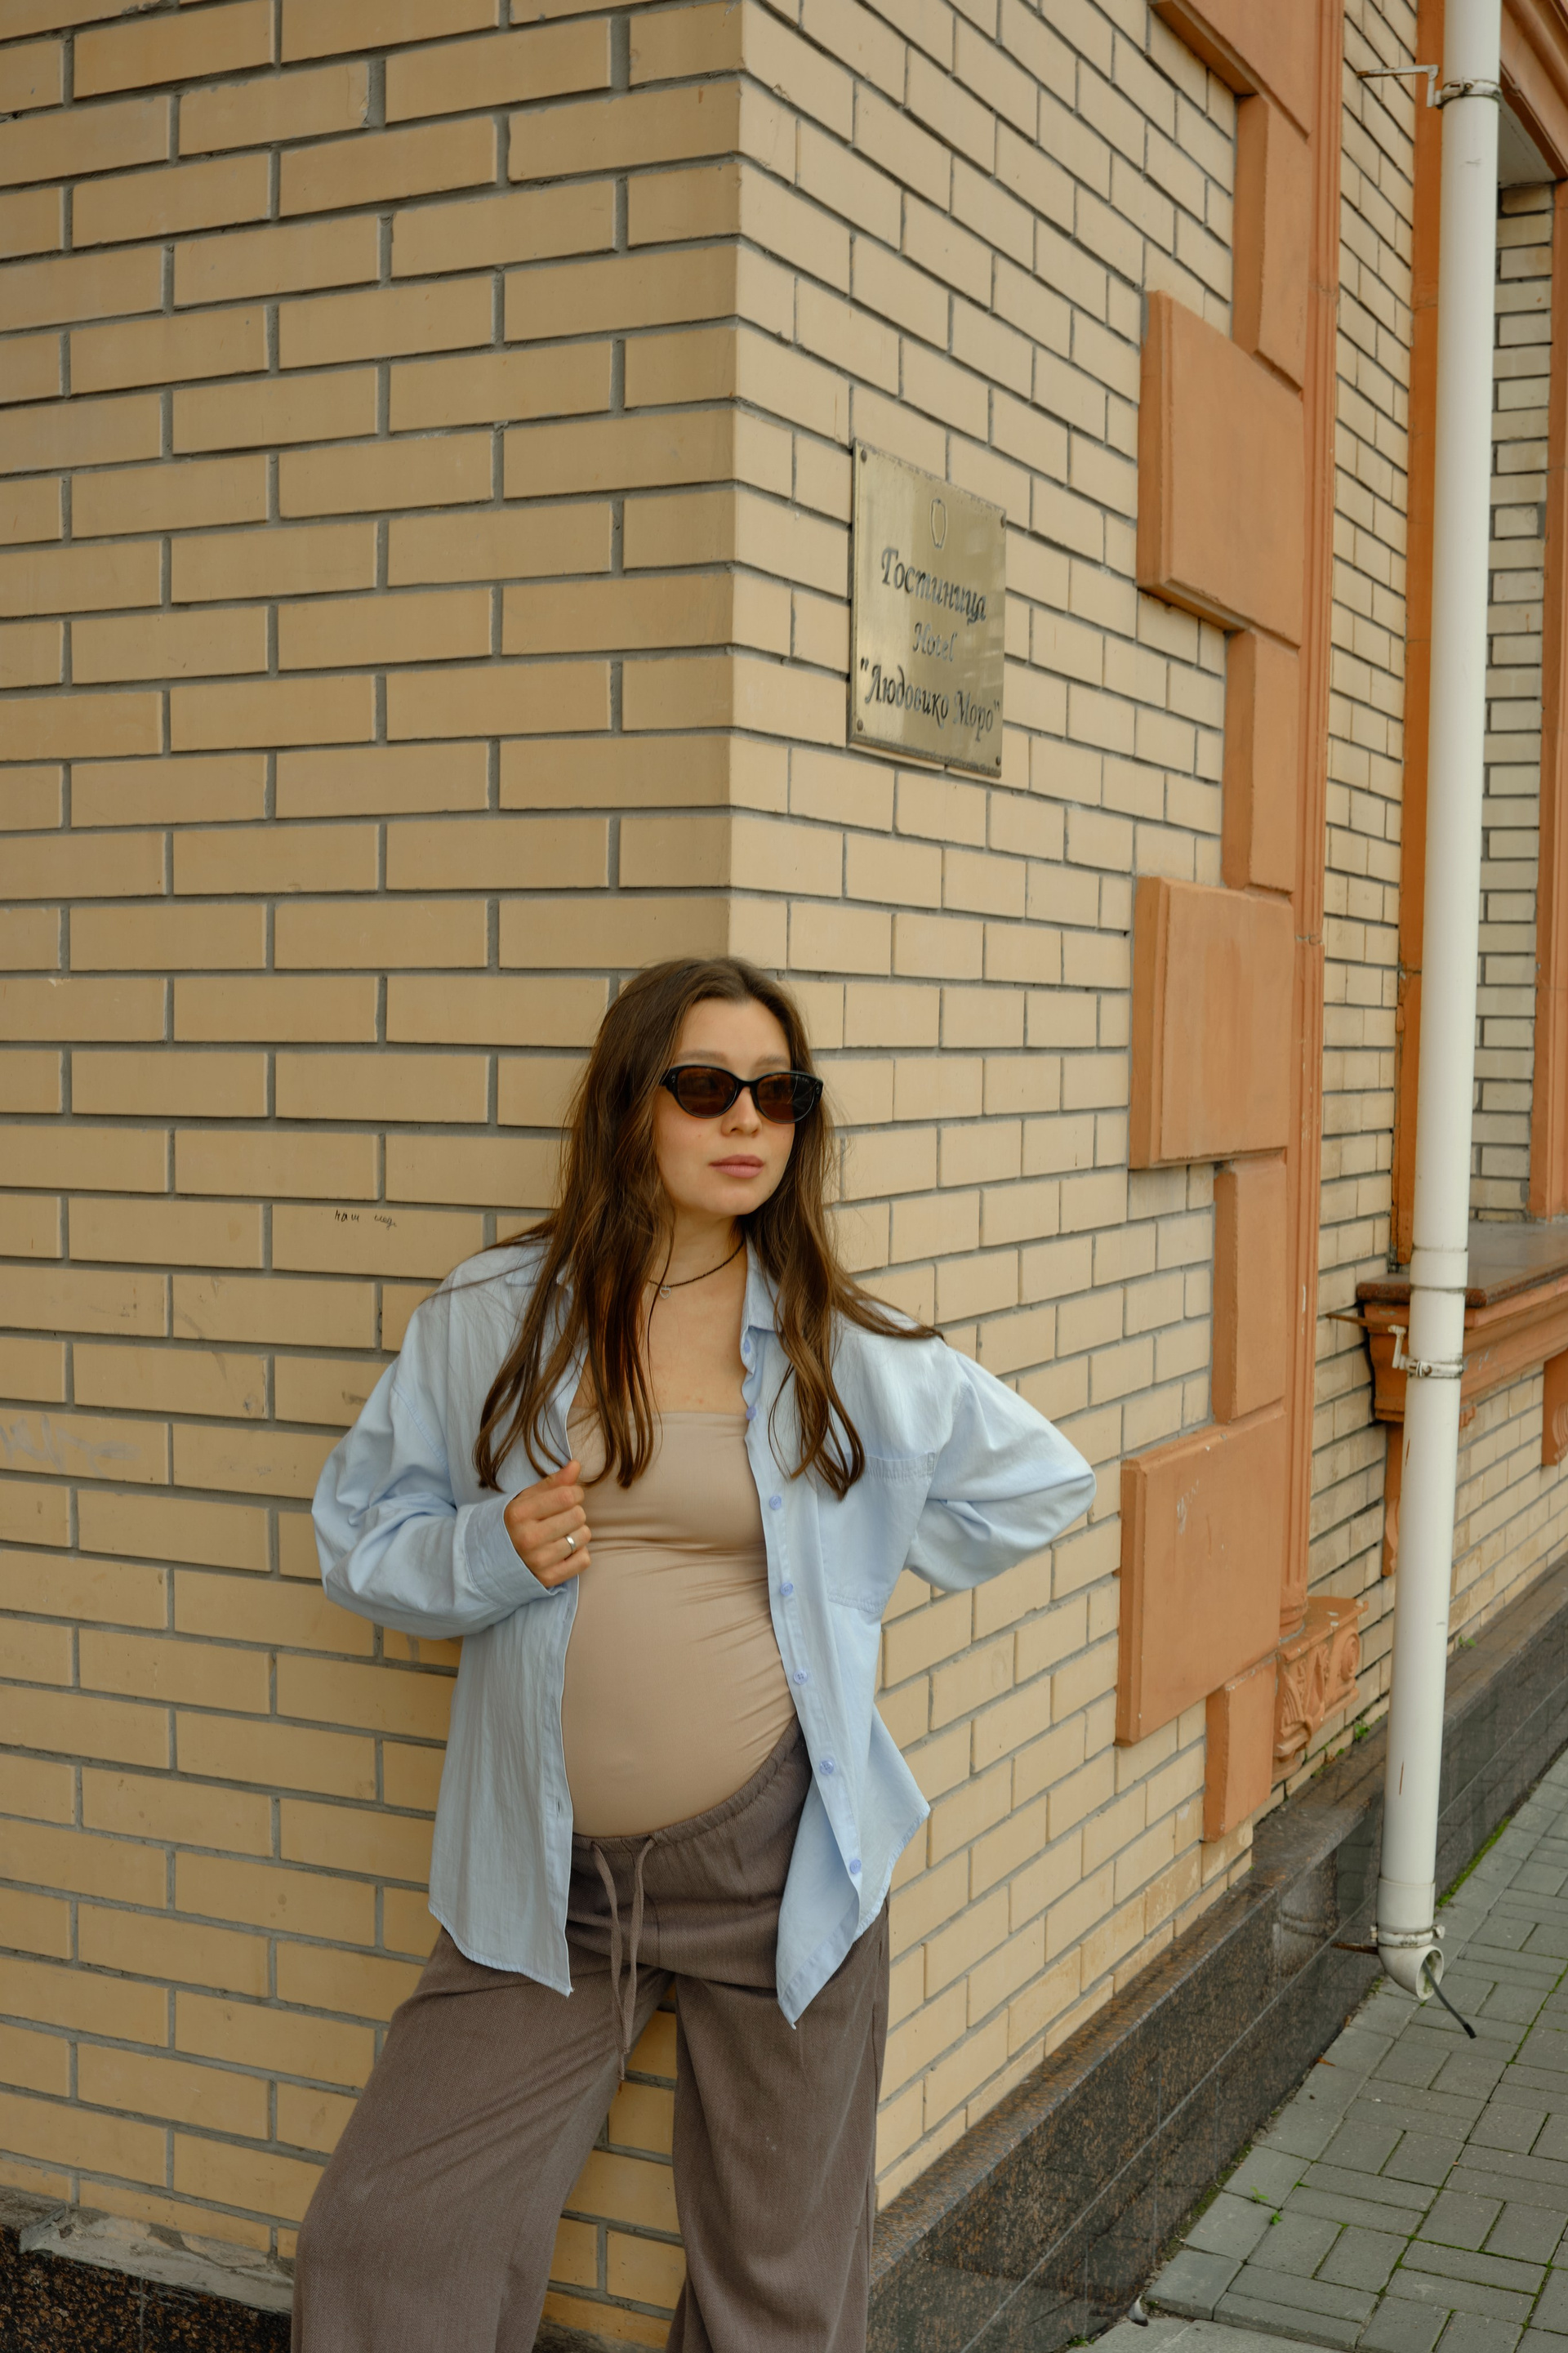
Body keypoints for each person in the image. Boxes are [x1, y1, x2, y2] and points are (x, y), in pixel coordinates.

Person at [293, 954, 1094, 2353]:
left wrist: (846, 1560)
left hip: (779, 1863)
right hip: (546, 1875)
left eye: (780, 1095)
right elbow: (359, 1534)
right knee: (388, 2231)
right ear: (630, 1102)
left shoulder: (844, 1343)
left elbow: (1043, 1481)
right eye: (709, 1085)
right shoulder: (496, 1314)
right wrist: (489, 1548)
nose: (747, 1121)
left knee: (776, 2278)